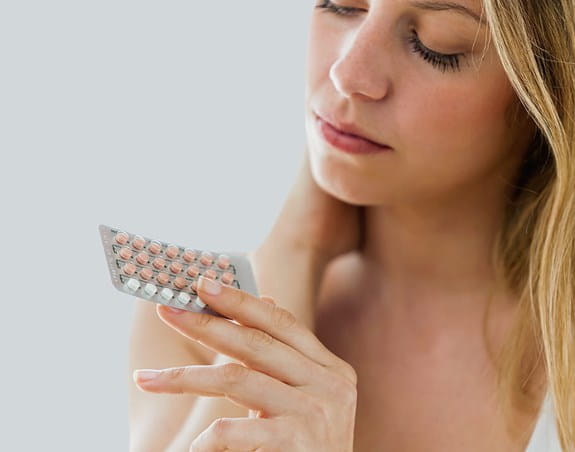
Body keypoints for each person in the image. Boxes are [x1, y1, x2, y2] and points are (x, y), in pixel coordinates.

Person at [128, 0, 575, 450]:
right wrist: (294, 248)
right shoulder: (187, 314)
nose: (349, 71)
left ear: (545, 93)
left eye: (435, 47)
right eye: (340, 5)